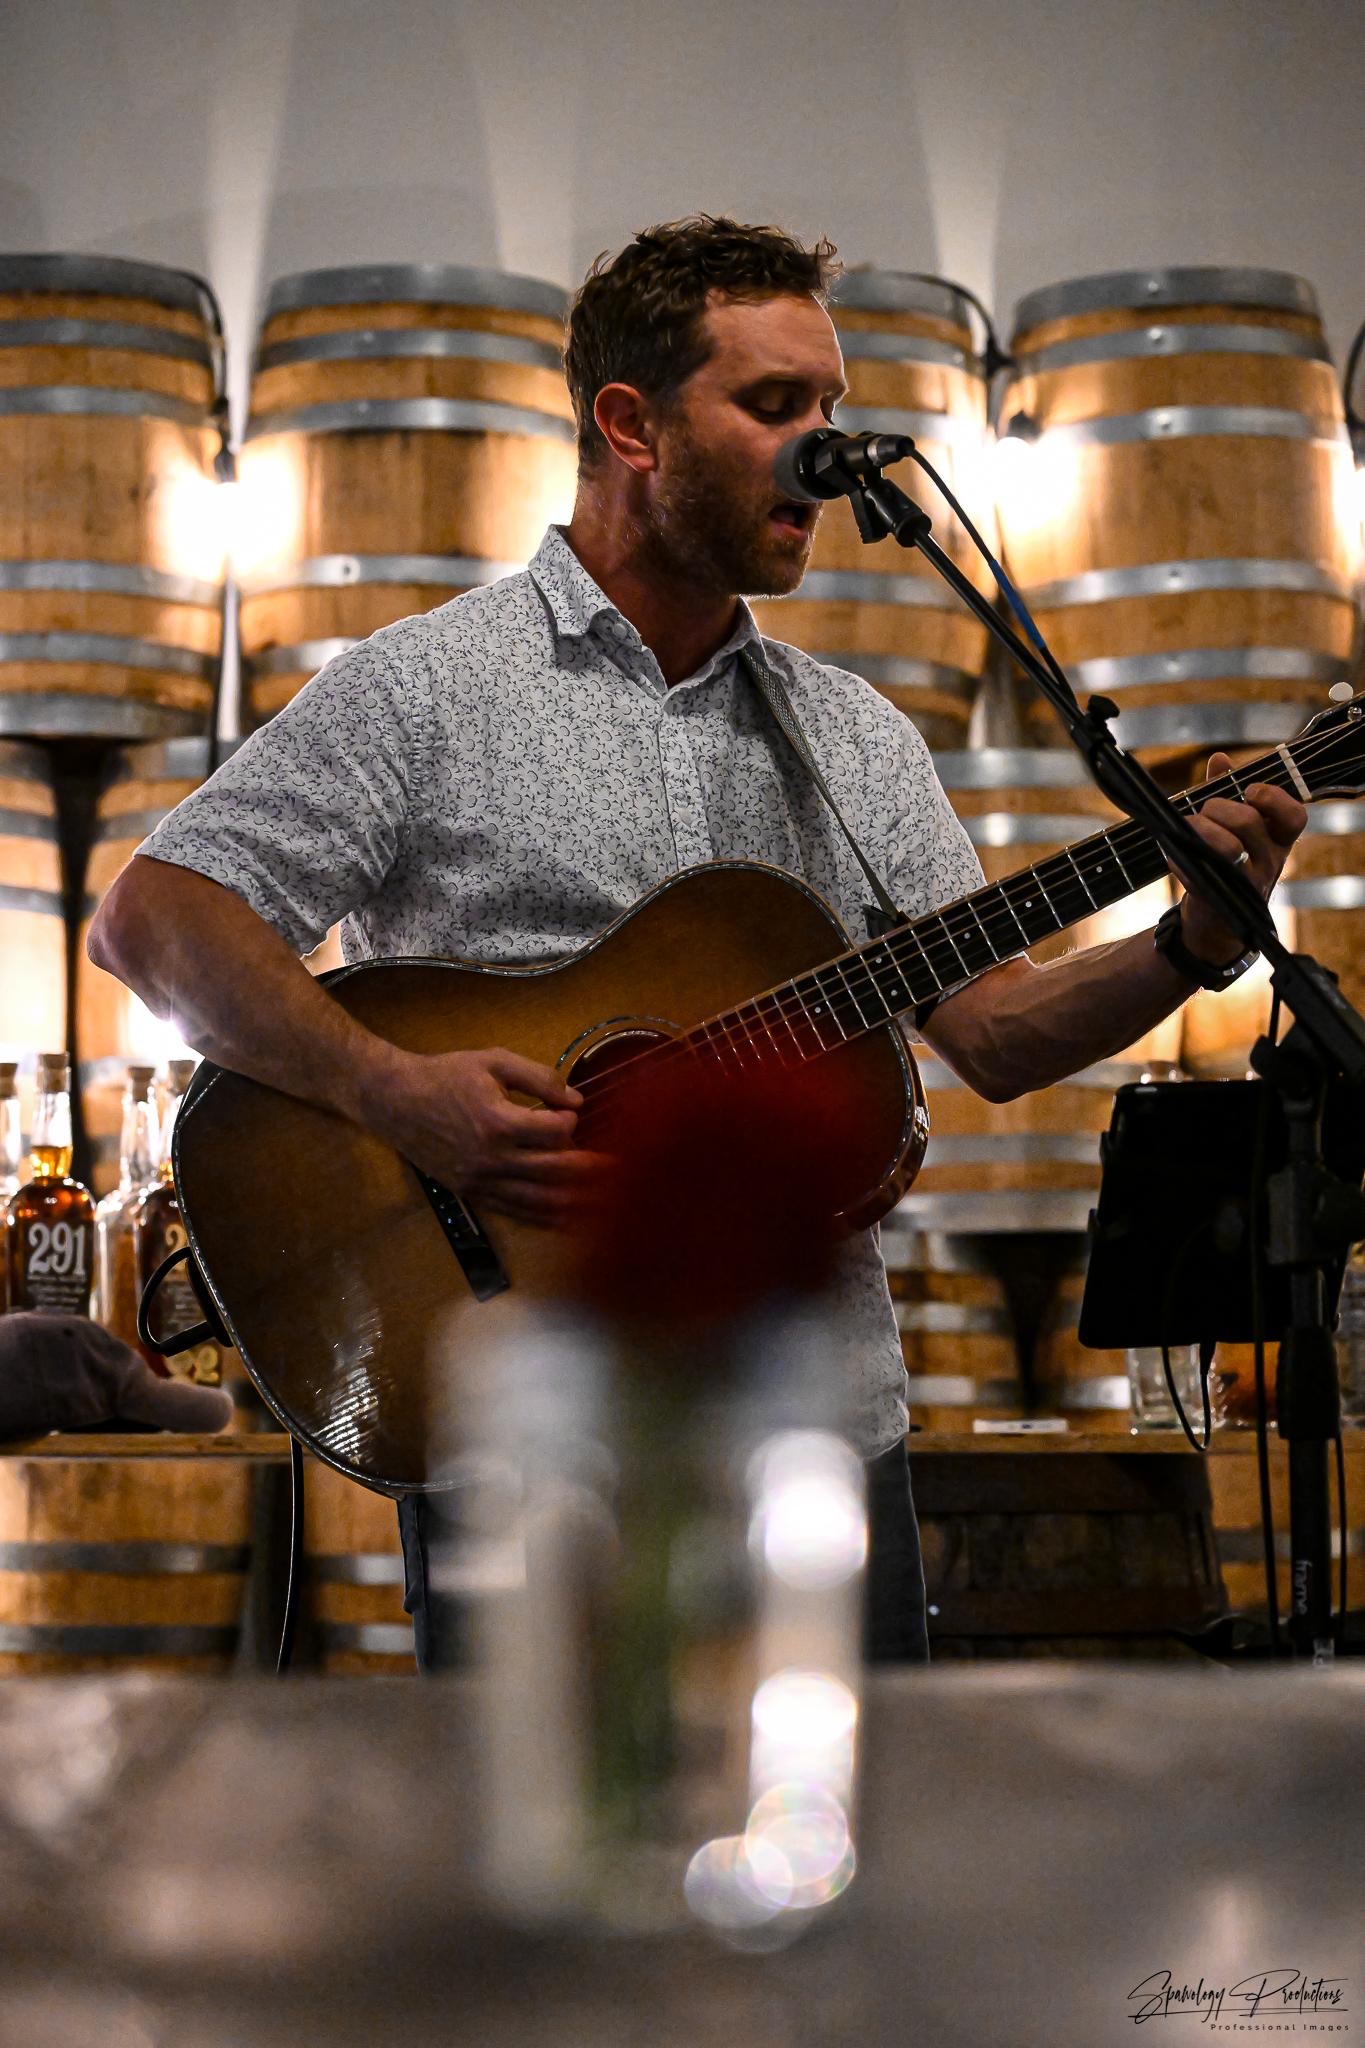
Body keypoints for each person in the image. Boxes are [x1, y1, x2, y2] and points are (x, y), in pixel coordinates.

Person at [87, 216, 1306, 1669]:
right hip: (524, 1430)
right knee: (540, 1821)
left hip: (814, 1432)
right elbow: (154, 918)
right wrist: (391, 1089)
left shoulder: (851, 735)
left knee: (849, 1816)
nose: (823, 448)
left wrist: (1190, 942)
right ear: (631, 425)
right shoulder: (427, 690)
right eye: (774, 405)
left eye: (831, 405)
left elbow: (992, 1034)